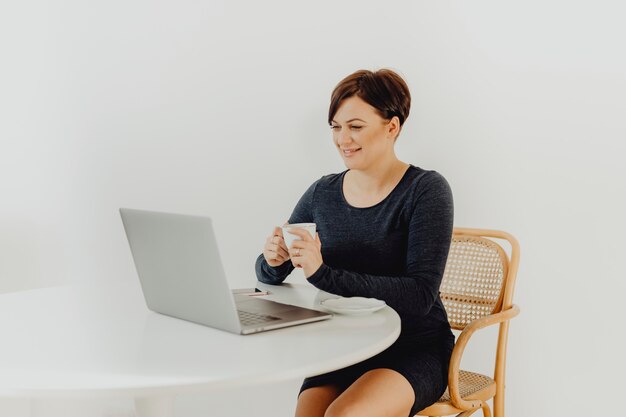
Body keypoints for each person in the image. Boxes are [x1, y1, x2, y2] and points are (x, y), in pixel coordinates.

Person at [255, 69, 454, 417]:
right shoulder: (322, 192)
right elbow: (274, 270)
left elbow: (420, 295)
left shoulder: (426, 190)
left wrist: (322, 274)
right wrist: (272, 262)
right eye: (336, 126)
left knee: (343, 415)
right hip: (343, 346)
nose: (342, 139)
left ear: (392, 127)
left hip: (413, 346)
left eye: (356, 126)